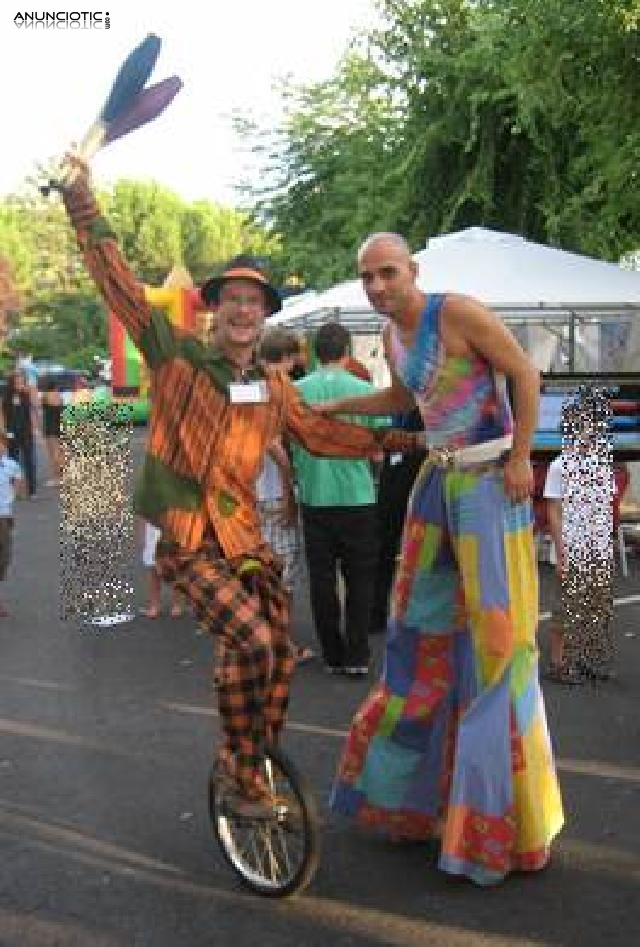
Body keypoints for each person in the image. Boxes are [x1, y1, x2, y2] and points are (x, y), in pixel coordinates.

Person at [56, 158, 422, 818]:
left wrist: (407, 441)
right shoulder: (175, 356)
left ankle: (254, 756)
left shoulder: (274, 386)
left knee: (274, 654)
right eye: (233, 299)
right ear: (215, 308)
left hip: (246, 542)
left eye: (255, 301)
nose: (244, 310)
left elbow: (318, 433)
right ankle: (236, 768)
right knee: (251, 642)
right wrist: (84, 203)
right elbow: (120, 289)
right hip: (192, 542)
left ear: (265, 315)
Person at [322, 232, 563, 885]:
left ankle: (507, 829)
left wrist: (519, 458)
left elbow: (524, 370)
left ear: (412, 270)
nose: (377, 285)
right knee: (417, 635)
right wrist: (341, 404)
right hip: (439, 481)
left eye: (387, 273)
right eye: (367, 276)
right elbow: (406, 399)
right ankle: (415, 800)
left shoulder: (454, 310)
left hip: (488, 482)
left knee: (499, 646)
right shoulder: (391, 332)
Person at [292, 322, 386, 676]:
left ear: (316, 352)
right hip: (358, 496)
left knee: (322, 579)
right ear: (348, 352)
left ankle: (332, 653)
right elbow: (380, 439)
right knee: (360, 578)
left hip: (314, 495)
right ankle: (358, 655)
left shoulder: (296, 391)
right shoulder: (364, 390)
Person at [256, 327, 314, 665]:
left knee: (263, 570)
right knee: (284, 574)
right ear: (289, 357)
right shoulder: (276, 389)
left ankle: (266, 641)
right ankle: (281, 645)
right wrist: (290, 476)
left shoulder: (248, 384)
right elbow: (268, 438)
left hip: (254, 492)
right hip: (274, 492)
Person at [369, 405, 426, 636]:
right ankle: (376, 613)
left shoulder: (431, 394)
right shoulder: (402, 395)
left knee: (422, 548)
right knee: (384, 544)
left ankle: (415, 615)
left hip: (420, 469)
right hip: (395, 471)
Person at [1, 370, 38, 497]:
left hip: (26, 431)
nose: (19, 383)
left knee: (29, 460)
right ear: (11, 382)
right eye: (17, 381)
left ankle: (31, 490)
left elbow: (35, 407)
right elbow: (2, 414)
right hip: (11, 432)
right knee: (13, 461)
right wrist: (3, 430)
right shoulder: (6, 395)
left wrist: (35, 428)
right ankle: (15, 490)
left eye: (22, 380)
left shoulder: (27, 393)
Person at [0, 429, 24, 617]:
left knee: (5, 557)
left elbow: (19, 482)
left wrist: (14, 495)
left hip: (6, 517)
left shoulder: (10, 465)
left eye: (2, 444)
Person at [140, 518, 185, 619]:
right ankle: (154, 606)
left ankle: (176, 605)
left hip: (173, 522)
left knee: (174, 566)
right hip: (154, 526)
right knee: (153, 569)